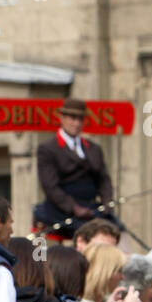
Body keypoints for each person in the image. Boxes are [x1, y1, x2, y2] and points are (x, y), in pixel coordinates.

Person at [34, 98, 118, 240]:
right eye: (72, 118)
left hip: (92, 207)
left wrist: (107, 203)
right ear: (62, 118)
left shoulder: (94, 149)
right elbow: (50, 186)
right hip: (63, 210)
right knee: (92, 235)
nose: (77, 123)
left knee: (116, 230)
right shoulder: (48, 149)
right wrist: (74, 208)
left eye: (80, 119)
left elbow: (104, 180)